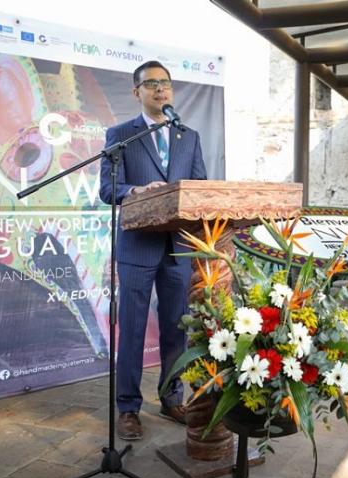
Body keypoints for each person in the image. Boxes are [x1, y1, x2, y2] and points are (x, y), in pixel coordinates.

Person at [99, 60, 207, 440]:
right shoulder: (120, 134)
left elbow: (200, 186)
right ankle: (128, 407)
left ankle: (171, 397)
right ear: (137, 92)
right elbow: (108, 190)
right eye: (152, 84)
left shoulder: (188, 136)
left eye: (166, 84)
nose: (161, 90)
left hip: (178, 248)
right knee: (131, 330)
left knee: (176, 329)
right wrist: (134, 191)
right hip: (137, 247)